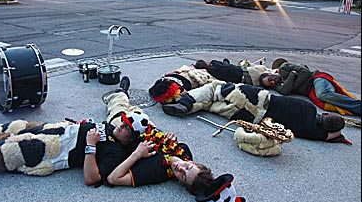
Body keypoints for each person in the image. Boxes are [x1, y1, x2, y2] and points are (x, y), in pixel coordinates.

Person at [0, 103, 144, 186]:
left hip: (50, 151)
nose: (121, 127)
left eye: (126, 129)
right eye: (123, 122)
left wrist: (90, 146)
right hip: (55, 129)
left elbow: (92, 178)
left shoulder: (116, 153)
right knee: (8, 129)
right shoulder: (111, 127)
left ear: (131, 139)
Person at [102, 76, 214, 194]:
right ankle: (126, 99)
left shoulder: (156, 171)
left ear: (181, 183)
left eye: (183, 176)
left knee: (118, 107)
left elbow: (113, 178)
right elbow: (166, 142)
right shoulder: (184, 153)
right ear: (193, 162)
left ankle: (120, 93)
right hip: (146, 126)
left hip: (128, 134)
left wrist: (137, 154)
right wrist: (171, 138)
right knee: (136, 109)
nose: (181, 168)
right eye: (188, 167)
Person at [160, 79, 350, 145]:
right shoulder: (310, 131)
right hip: (251, 116)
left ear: (324, 115)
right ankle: (187, 107)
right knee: (212, 105)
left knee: (214, 89)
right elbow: (332, 135)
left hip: (256, 97)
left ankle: (185, 103)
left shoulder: (308, 107)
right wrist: (337, 136)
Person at [148, 59, 273, 115]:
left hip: (195, 76)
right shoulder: (173, 84)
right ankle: (185, 106)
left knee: (210, 96)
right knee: (211, 95)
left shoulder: (170, 80)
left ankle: (186, 106)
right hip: (199, 77)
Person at [258, 61, 361, 116]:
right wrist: (292, 76)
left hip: (316, 79)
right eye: (270, 84)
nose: (273, 82)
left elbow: (305, 72)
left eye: (271, 78)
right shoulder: (278, 86)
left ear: (271, 73)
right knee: (324, 101)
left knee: (323, 95)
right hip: (311, 90)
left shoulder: (285, 67)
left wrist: (290, 85)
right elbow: (285, 91)